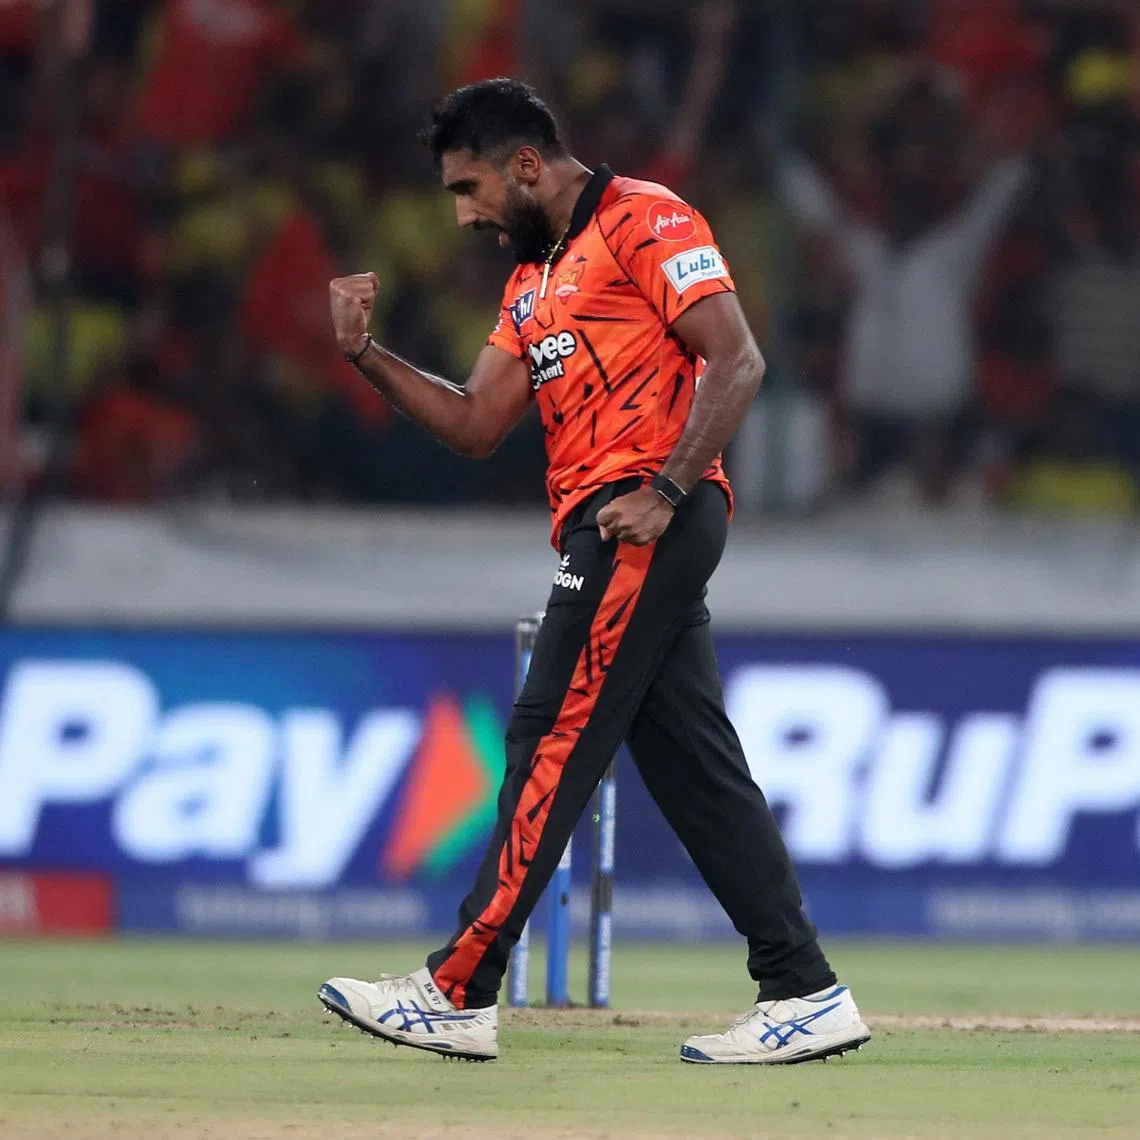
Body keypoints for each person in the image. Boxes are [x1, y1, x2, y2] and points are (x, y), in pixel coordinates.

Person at [318, 78, 869, 1066]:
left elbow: (738, 360)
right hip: (615, 521)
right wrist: (365, 354)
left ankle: (457, 991)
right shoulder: (531, 281)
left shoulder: (645, 219)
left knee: (550, 735)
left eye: (470, 188)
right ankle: (804, 989)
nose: (465, 216)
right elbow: (475, 423)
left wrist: (664, 488)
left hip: (643, 516)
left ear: (527, 165)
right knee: (693, 767)